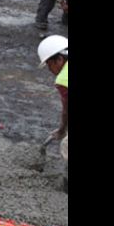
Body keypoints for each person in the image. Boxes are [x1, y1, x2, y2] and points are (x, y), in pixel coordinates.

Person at [36, 34, 68, 191]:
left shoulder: (63, 78)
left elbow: (67, 109)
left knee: (66, 146)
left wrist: (62, 131)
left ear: (59, 60)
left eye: (49, 65)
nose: (50, 70)